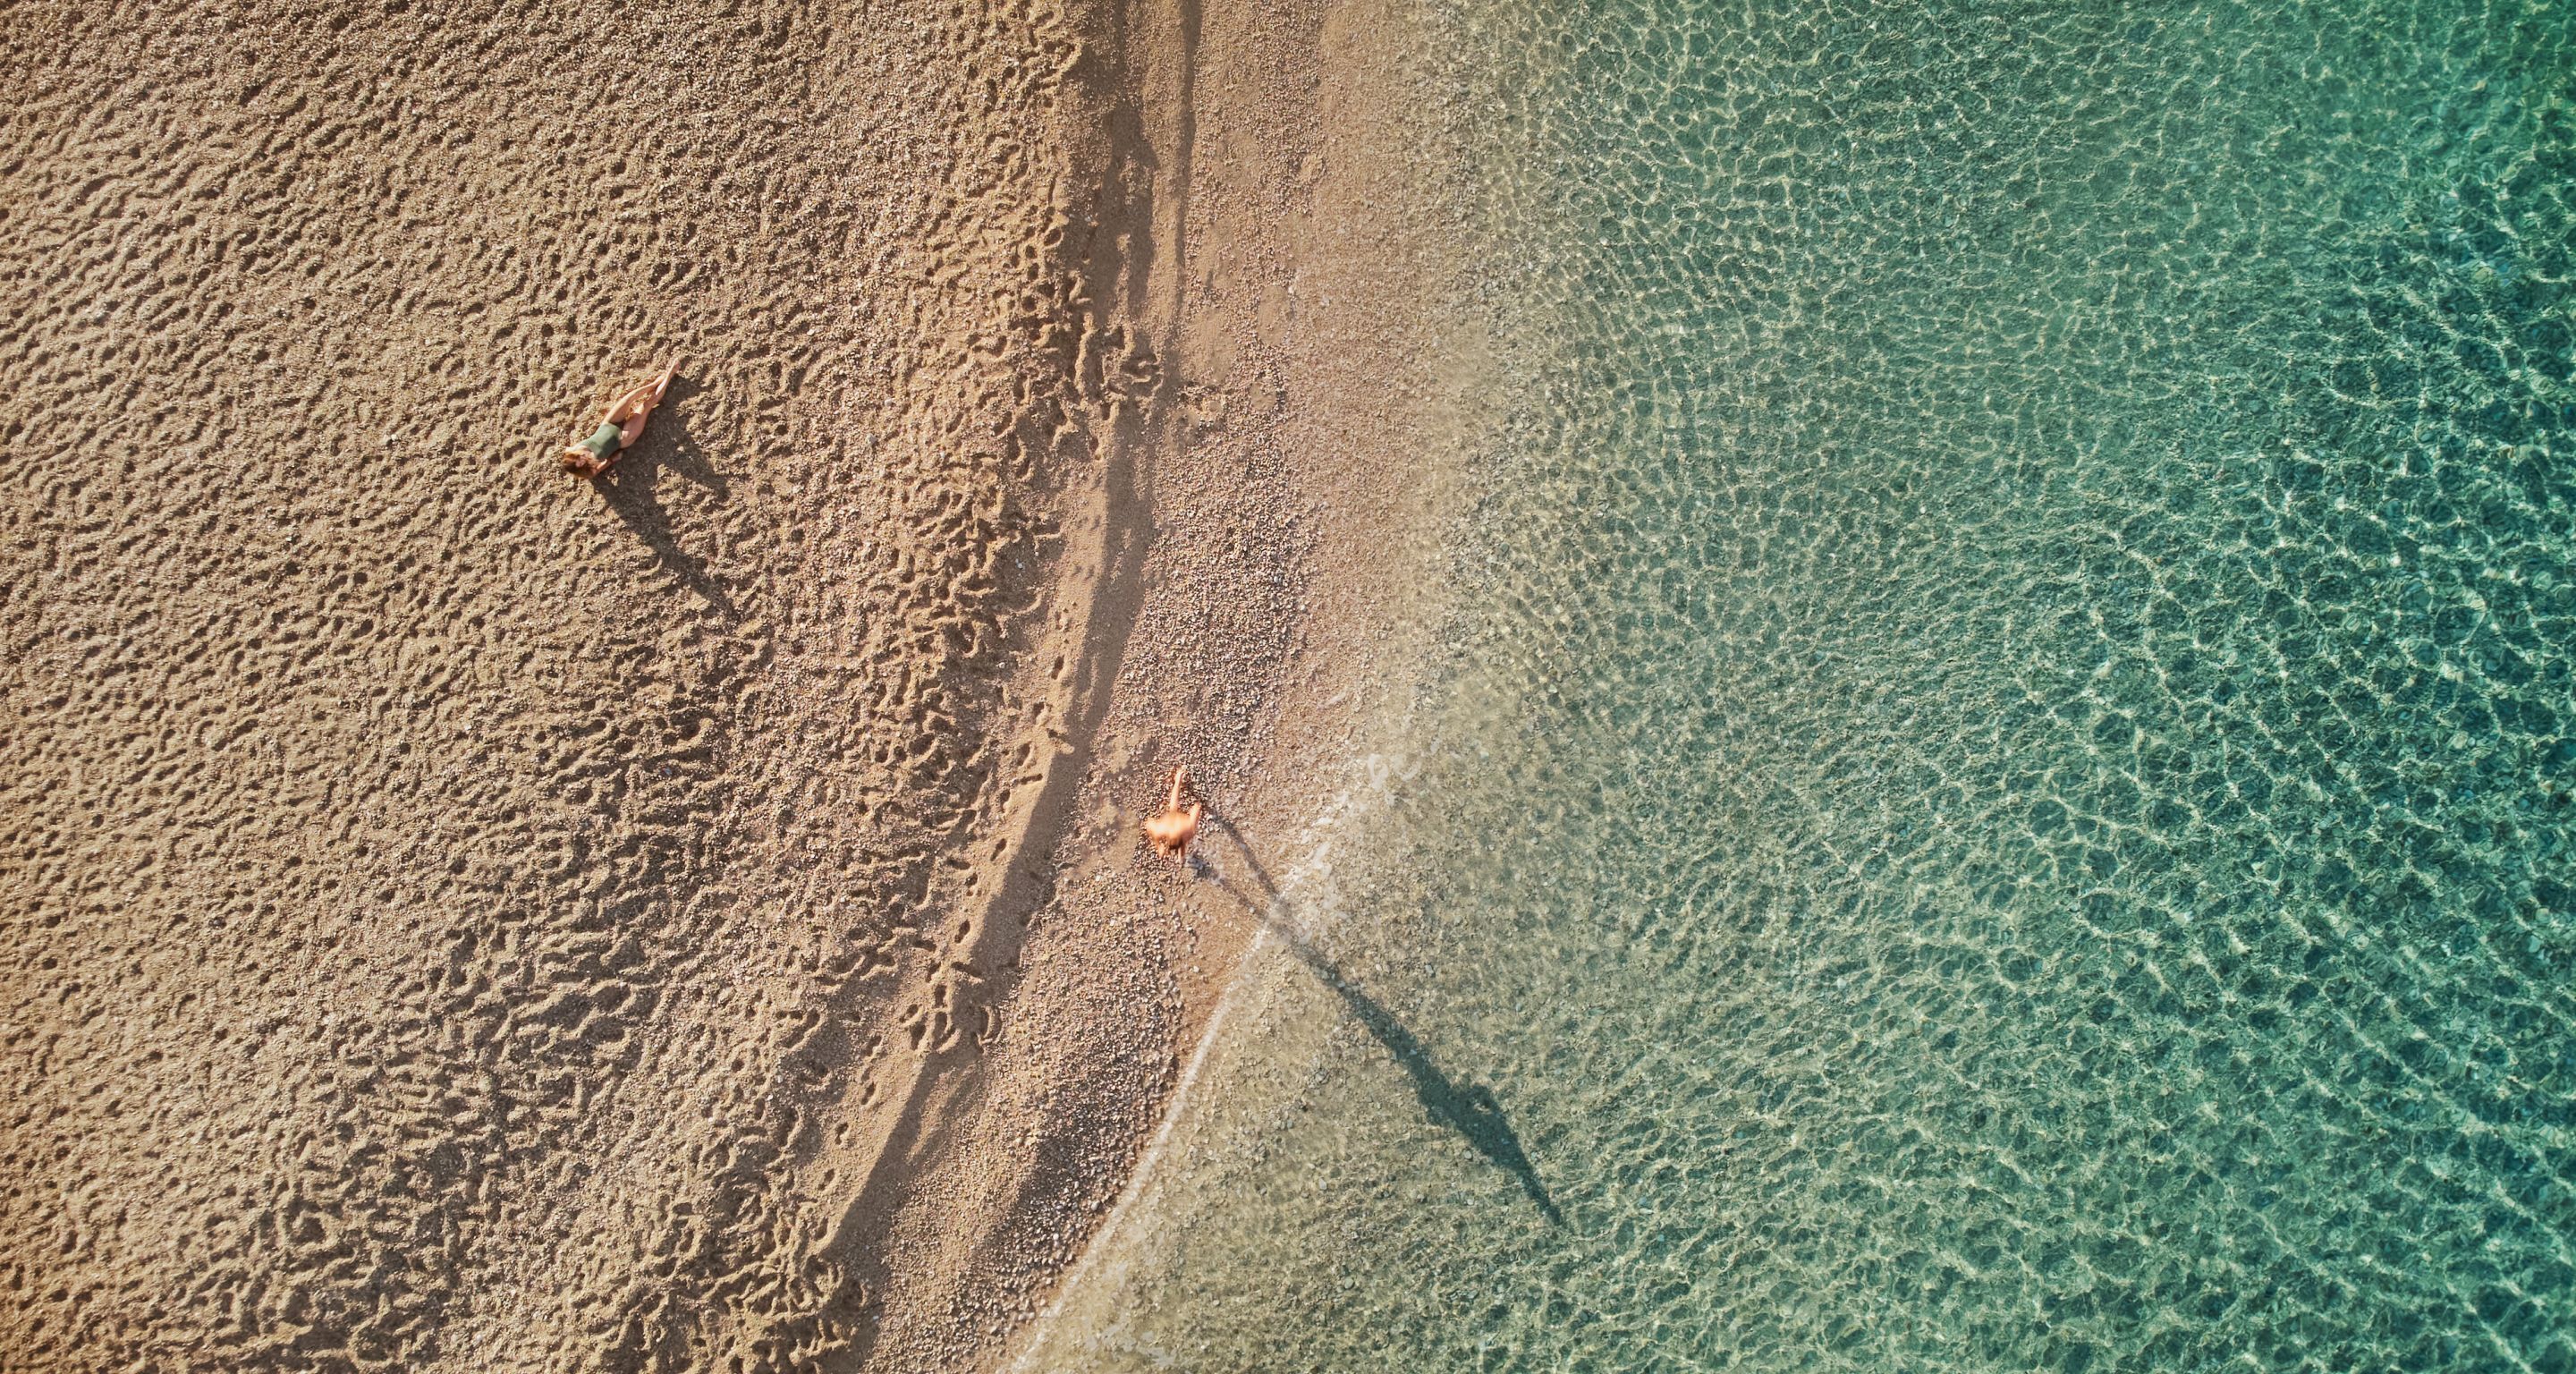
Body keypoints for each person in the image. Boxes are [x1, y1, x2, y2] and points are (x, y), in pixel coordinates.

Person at [562, 361, 679, 477]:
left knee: (628, 399)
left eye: (579, 457)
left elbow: (566, 450)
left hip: (608, 425)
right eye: (582, 463)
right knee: (647, 404)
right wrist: (614, 459)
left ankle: (653, 384)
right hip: (622, 438)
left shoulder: (572, 450)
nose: (583, 458)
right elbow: (602, 467)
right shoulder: (589, 471)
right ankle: (670, 374)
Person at [1143, 764, 1202, 865]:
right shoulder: (1187, 831)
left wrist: (1159, 845)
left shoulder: (1162, 830)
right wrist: (1159, 846)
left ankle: (1178, 780)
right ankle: (1178, 780)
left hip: (1173, 819)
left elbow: (1149, 823)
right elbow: (1149, 823)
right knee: (1189, 808)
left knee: (1174, 809)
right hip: (1176, 821)